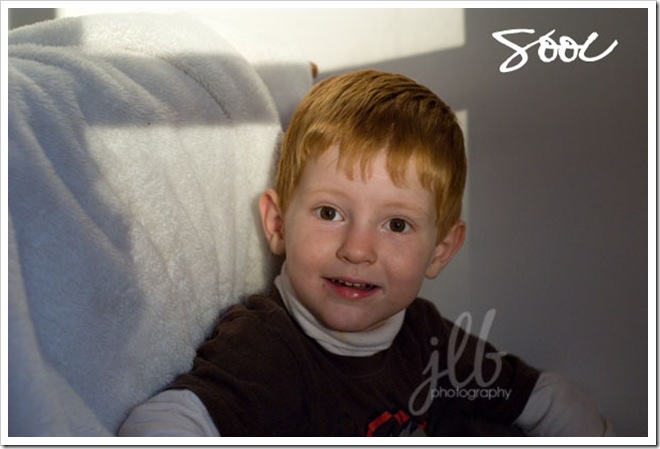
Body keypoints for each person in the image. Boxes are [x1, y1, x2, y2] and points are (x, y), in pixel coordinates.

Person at [118, 69, 613, 437]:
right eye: (329, 212)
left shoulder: (427, 337)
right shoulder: (268, 346)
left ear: (440, 250)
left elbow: (542, 398)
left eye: (396, 224)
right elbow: (168, 422)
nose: (357, 250)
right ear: (277, 224)